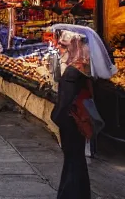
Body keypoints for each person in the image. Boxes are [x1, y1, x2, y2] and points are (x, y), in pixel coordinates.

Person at [50, 26, 116, 199]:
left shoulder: (73, 72)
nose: (61, 48)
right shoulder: (84, 69)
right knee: (75, 159)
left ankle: (71, 194)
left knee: (73, 159)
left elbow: (65, 101)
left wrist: (55, 117)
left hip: (71, 121)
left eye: (65, 46)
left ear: (75, 46)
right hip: (76, 121)